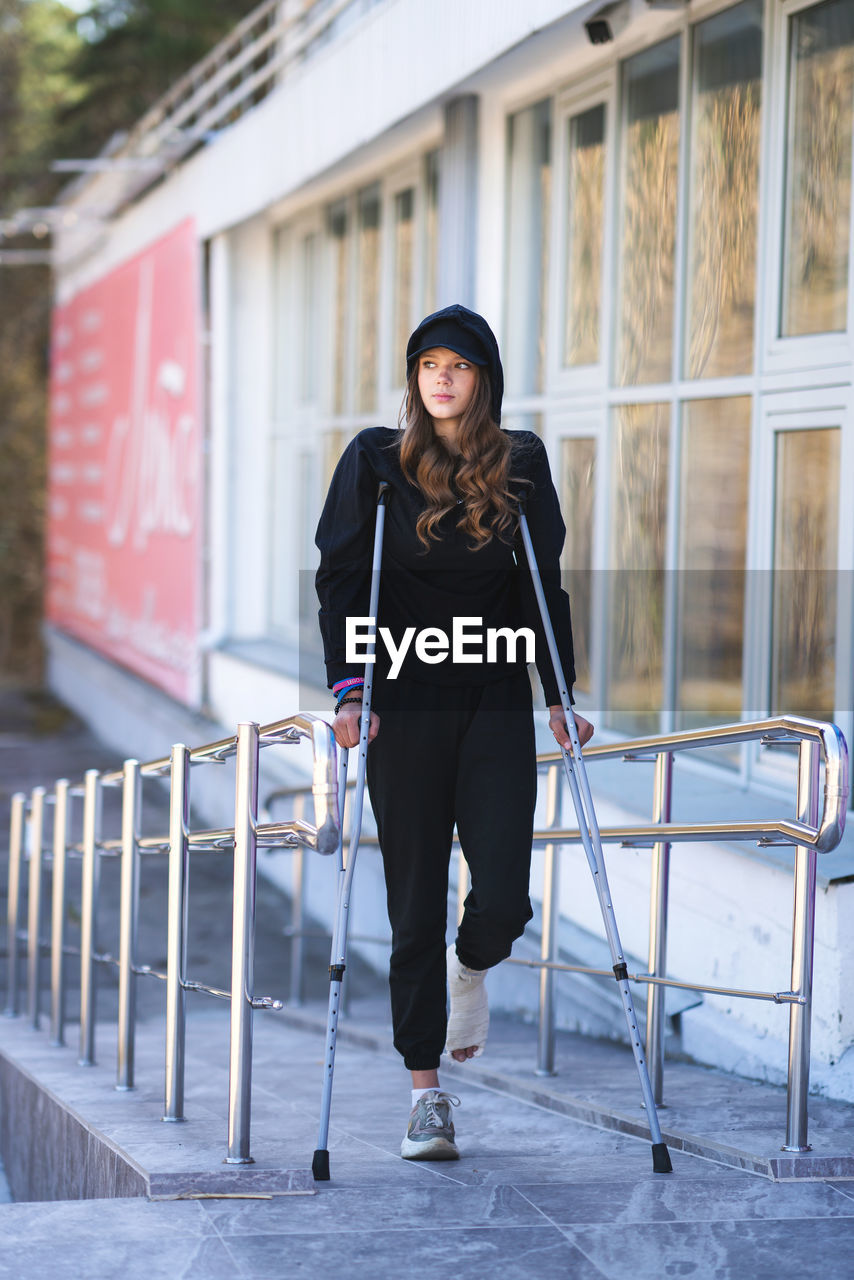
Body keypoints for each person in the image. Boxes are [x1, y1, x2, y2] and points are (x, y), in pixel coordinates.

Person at [315, 303, 593, 1161]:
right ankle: (424, 1094)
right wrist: (351, 691)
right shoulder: (375, 459)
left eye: (458, 365)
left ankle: (471, 968)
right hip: (404, 695)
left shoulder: (521, 462)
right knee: (410, 906)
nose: (440, 377)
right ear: (414, 378)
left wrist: (560, 690)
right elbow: (339, 578)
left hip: (495, 693)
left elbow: (543, 579)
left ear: (484, 379)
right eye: (428, 364)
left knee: (503, 892)